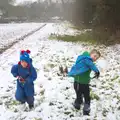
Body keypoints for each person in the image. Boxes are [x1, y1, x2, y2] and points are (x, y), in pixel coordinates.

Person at [68, 49, 101, 115]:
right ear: (90, 54)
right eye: (94, 56)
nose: (95, 59)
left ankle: (77, 105)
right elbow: (91, 65)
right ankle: (86, 110)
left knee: (79, 95)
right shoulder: (87, 59)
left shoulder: (82, 58)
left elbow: (89, 66)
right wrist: (97, 71)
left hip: (77, 82)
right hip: (83, 83)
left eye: (96, 58)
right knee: (86, 97)